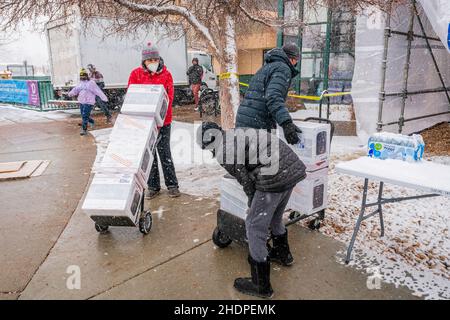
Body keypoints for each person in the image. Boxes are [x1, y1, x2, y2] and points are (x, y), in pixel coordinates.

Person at [197, 122, 307, 299]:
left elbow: (246, 182)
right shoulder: (235, 133)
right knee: (275, 217)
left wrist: (252, 204)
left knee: (254, 226)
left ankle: (260, 285)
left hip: (274, 174)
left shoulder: (223, 151)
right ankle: (282, 254)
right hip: (291, 167)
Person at [128, 43, 180, 199]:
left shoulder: (166, 75)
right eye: (149, 59)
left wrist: (158, 112)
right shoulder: (136, 74)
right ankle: (153, 186)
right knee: (149, 155)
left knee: (165, 153)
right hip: (144, 122)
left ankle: (172, 185)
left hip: (163, 121)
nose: (152, 62)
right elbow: (132, 94)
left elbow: (169, 97)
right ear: (144, 61)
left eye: (155, 59)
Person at [235, 43, 302, 145]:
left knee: (248, 157)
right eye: (296, 61)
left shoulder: (267, 67)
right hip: (258, 124)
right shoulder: (283, 69)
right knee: (261, 158)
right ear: (293, 59)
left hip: (245, 120)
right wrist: (286, 123)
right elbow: (273, 96)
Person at [68, 69, 108, 136]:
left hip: (89, 102)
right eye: (81, 76)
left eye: (83, 76)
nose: (82, 77)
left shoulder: (91, 83)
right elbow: (75, 90)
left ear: (86, 76)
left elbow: (98, 91)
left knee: (84, 116)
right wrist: (70, 94)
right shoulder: (80, 84)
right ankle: (92, 121)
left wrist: (104, 98)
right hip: (82, 101)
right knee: (84, 115)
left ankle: (84, 130)